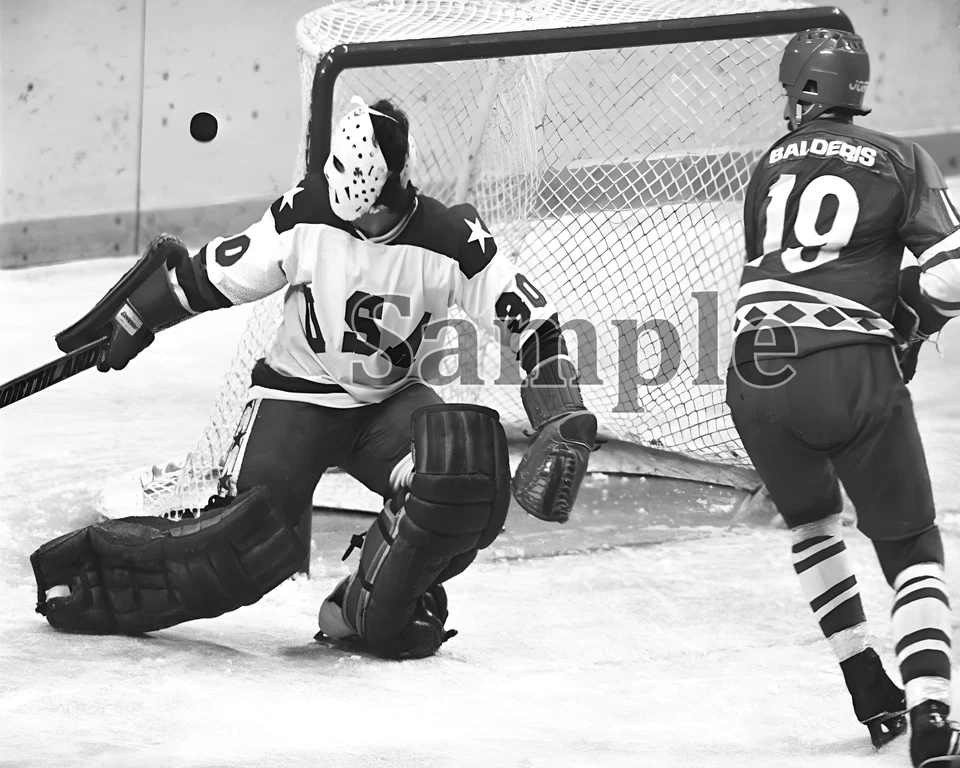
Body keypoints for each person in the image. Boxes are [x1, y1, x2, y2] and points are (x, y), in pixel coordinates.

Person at [29, 97, 598, 660]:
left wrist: (561, 408)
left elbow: (532, 323)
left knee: (462, 481)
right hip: (294, 395)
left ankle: (362, 609)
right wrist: (138, 315)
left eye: (366, 211)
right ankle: (89, 576)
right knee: (243, 550)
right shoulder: (308, 212)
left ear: (393, 188)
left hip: (388, 404)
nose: (354, 221)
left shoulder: (452, 239)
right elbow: (210, 277)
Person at [725, 28, 960, 767]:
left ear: (801, 91)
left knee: (813, 527)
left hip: (752, 373)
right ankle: (931, 715)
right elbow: (955, 270)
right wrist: (910, 323)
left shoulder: (767, 164)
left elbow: (773, 271)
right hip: (846, 366)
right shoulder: (900, 157)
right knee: (910, 546)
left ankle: (868, 687)